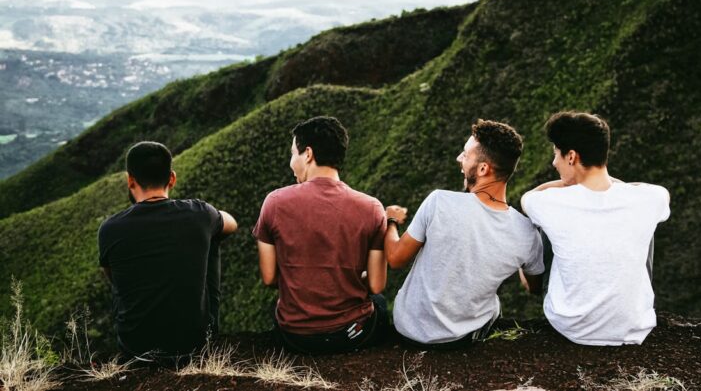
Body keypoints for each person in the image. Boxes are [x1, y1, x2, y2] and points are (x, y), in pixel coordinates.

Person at [385, 119, 544, 349]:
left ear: (483, 169)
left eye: (465, 154)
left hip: (408, 331)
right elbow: (534, 288)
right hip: (463, 339)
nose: (459, 159)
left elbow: (395, 258)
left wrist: (390, 221)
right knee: (494, 304)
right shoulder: (527, 233)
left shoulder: (438, 201)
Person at [521, 111, 670, 346]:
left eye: (556, 155)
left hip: (571, 326)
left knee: (544, 226)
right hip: (633, 327)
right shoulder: (651, 199)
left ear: (571, 156)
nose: (553, 163)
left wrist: (566, 183)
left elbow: (528, 198)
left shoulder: (548, 202)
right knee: (644, 225)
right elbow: (653, 191)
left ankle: (535, 288)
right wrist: (612, 185)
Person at [253, 116, 389, 355]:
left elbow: (269, 277)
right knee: (380, 303)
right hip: (351, 334)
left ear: (308, 154)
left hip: (295, 337)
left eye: (293, 154)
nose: (291, 162)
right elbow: (377, 284)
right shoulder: (372, 208)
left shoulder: (274, 202)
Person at [98, 141, 238, 360]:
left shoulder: (109, 228)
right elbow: (232, 224)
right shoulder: (199, 213)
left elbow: (114, 279)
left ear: (130, 180)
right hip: (192, 344)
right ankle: (209, 333)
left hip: (135, 346)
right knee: (213, 237)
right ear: (172, 178)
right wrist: (209, 218)